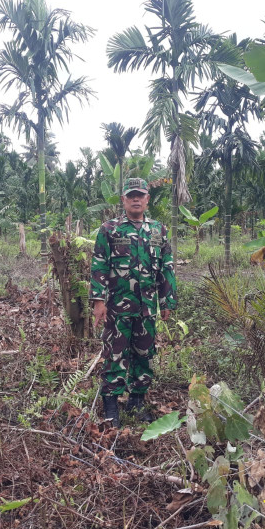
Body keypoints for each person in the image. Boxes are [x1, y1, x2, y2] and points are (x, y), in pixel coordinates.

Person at [90, 177, 176, 427]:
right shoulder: (110, 229)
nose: (136, 199)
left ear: (148, 199)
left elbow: (166, 267)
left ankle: (137, 400)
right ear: (124, 200)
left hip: (147, 305)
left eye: (140, 195)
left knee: (144, 352)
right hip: (117, 305)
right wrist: (98, 300)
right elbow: (99, 264)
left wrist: (167, 301)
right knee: (115, 352)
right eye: (131, 195)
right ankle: (111, 405)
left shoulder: (159, 230)